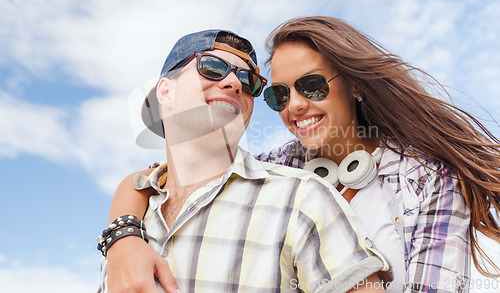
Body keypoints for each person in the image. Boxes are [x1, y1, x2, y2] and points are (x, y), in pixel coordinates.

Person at [104, 17, 500, 292]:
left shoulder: (429, 179)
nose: (293, 106)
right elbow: (158, 178)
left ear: (355, 86)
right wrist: (123, 238)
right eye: (278, 95)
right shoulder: (280, 169)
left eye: (311, 86)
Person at [97, 29, 392, 293]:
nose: (233, 84)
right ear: (166, 92)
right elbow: (138, 182)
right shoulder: (128, 227)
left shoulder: (302, 199)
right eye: (211, 67)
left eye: (247, 80)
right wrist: (122, 236)